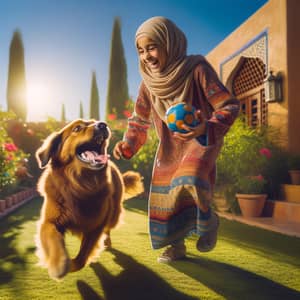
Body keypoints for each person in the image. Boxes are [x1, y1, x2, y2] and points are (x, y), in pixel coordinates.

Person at [113, 16, 240, 263]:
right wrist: (127, 145)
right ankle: (176, 247)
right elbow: (139, 119)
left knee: (190, 179)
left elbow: (229, 105)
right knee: (166, 197)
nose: (146, 55)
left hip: (201, 140)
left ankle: (208, 221)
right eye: (140, 50)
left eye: (152, 47)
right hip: (170, 148)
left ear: (170, 43)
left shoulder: (197, 70)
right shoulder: (148, 84)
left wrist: (207, 127)